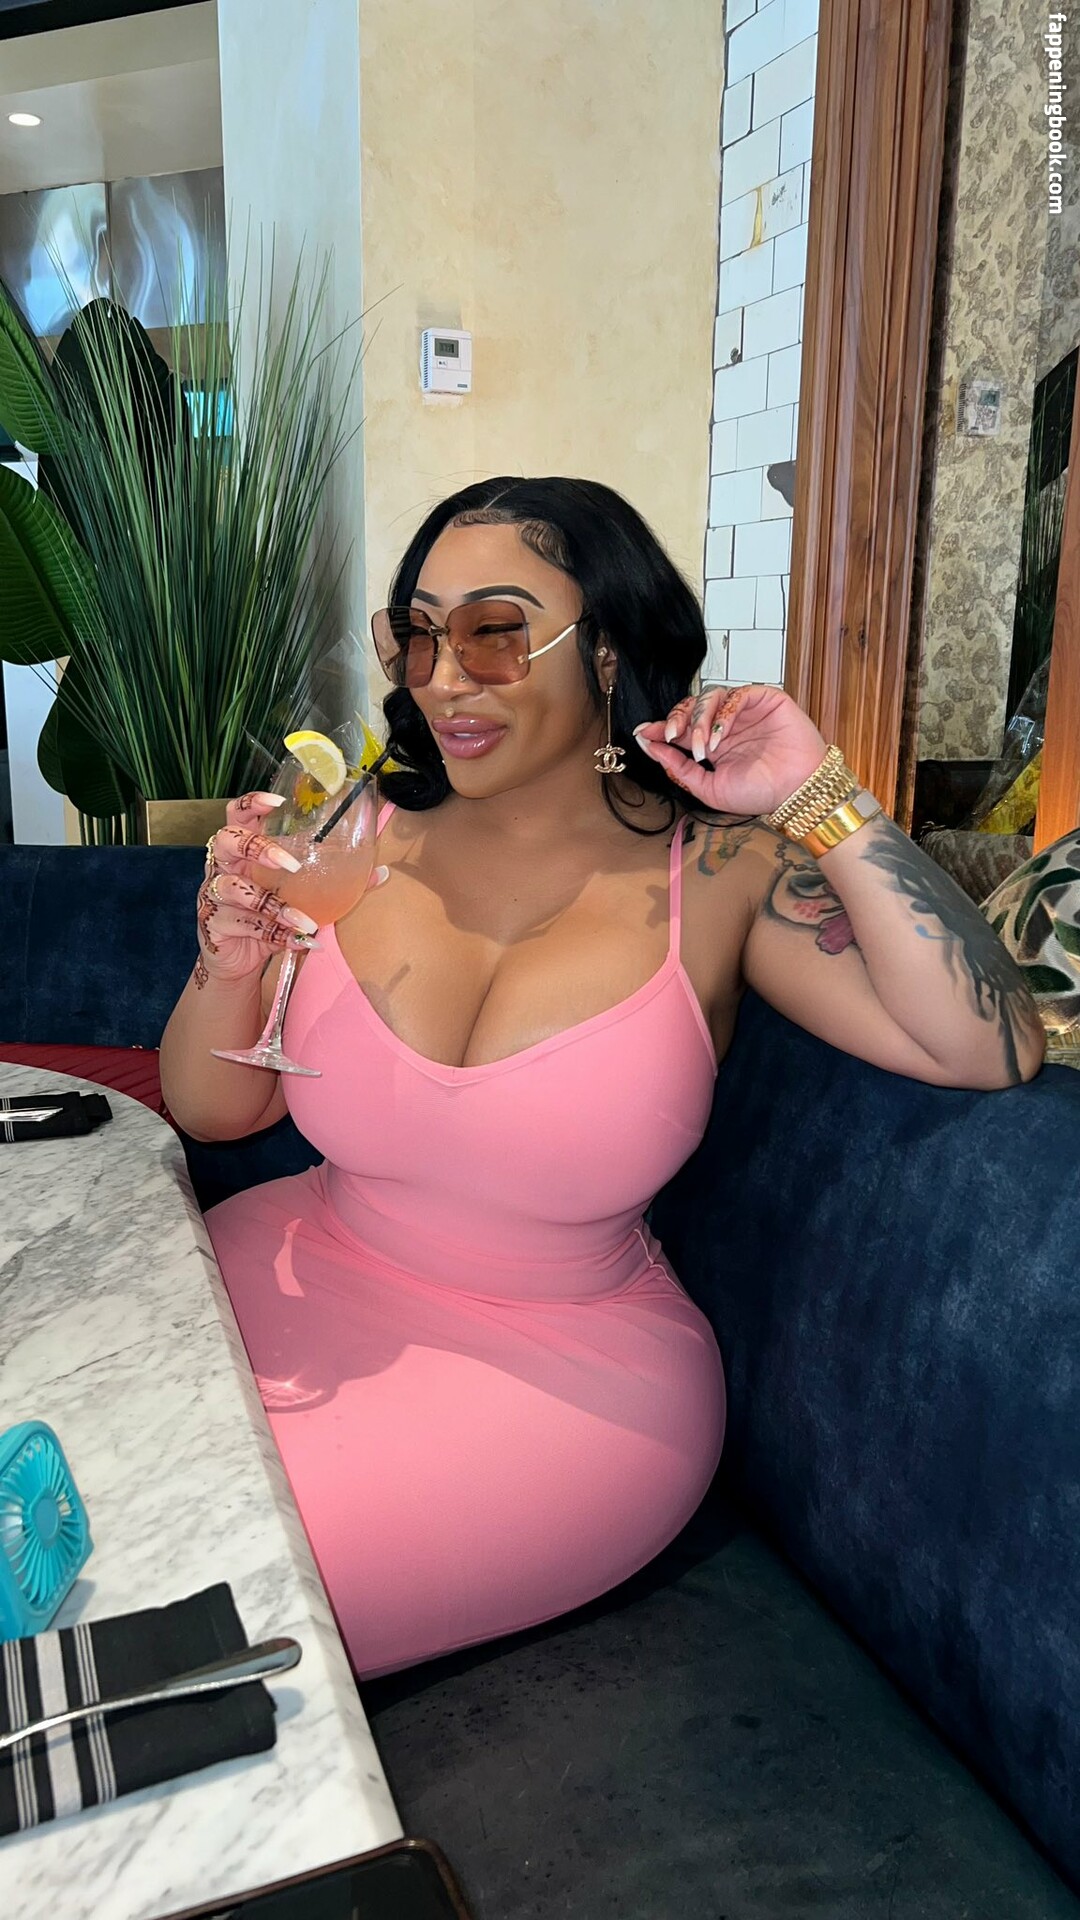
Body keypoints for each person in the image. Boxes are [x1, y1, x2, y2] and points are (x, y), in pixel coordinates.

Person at [160, 477, 1045, 1678]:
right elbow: (216, 1111)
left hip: (566, 1387)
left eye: (495, 632)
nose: (444, 677)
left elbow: (988, 1044)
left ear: (610, 649)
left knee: (202, 1605)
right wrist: (228, 963)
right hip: (284, 1272)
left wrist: (822, 796)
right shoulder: (361, 828)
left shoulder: (720, 870)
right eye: (418, 634)